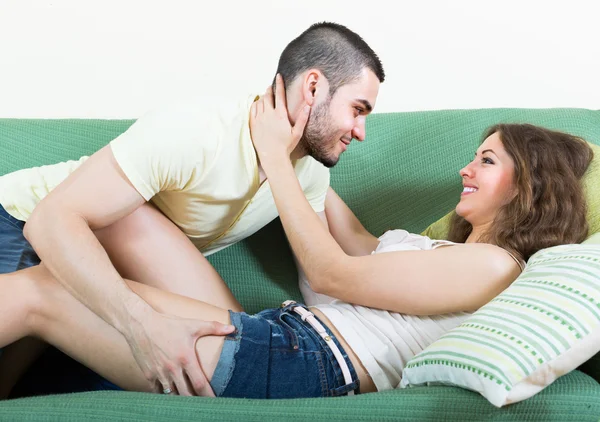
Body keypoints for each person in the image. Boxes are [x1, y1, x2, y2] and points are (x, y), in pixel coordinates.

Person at [0, 79, 592, 398]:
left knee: (41, 290)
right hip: (284, 341)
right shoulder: (441, 254)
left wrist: (276, 163)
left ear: (527, 187)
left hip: (301, 361)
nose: (465, 170)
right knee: (68, 288)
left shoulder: (493, 266)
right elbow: (346, 243)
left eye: (485, 161)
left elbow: (332, 273)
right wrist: (300, 137)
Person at [0, 22, 385, 396]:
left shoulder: (306, 173)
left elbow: (334, 263)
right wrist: (141, 324)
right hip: (29, 223)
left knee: (228, 357)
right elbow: (51, 220)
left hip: (115, 268)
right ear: (313, 87)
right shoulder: (198, 132)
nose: (361, 131)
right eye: (357, 109)